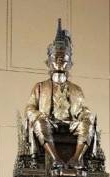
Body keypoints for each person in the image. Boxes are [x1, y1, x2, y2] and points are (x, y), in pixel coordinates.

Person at [26, 19, 95, 169]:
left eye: (63, 59)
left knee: (88, 124)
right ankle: (55, 159)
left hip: (71, 124)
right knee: (39, 123)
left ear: (69, 64)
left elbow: (83, 110)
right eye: (56, 58)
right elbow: (30, 109)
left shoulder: (76, 89)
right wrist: (39, 115)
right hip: (49, 122)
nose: (59, 61)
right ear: (49, 62)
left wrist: (85, 115)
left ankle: (76, 159)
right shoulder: (40, 87)